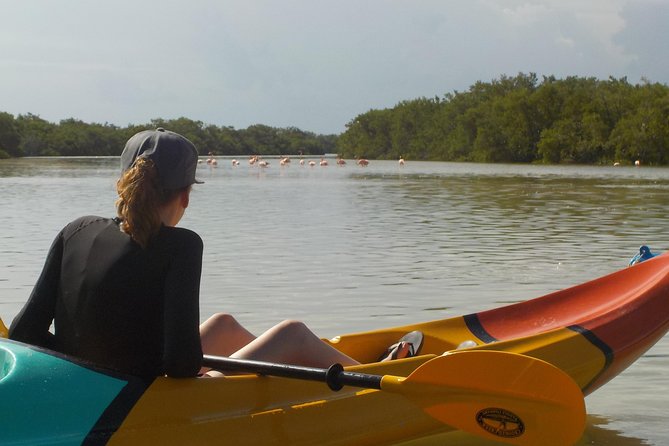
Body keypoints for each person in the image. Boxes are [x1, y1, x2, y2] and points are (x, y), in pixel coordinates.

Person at [9, 128, 421, 379]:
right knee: (292, 332)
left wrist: (90, 363)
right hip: (146, 397)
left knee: (222, 324)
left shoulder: (74, 229)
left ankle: (308, 374)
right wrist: (140, 366)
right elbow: (182, 365)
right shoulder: (182, 245)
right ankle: (380, 376)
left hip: (102, 383)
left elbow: (24, 330)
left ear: (124, 181)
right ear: (185, 196)